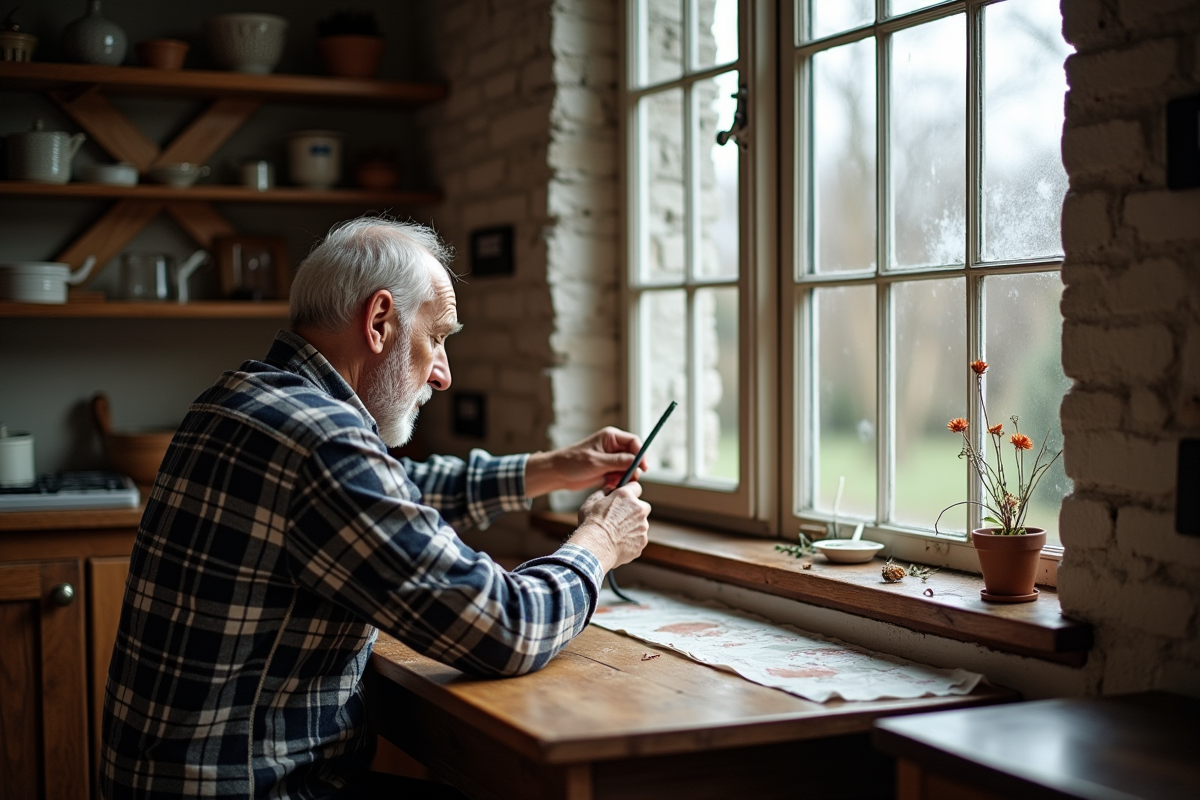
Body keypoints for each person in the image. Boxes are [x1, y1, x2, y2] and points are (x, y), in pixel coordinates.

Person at [100, 217, 652, 800]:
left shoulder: (238, 397)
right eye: (438, 337)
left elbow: (391, 489)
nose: (442, 374)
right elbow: (510, 629)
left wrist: (551, 467)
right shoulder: (325, 443)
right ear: (380, 320)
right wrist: (600, 541)